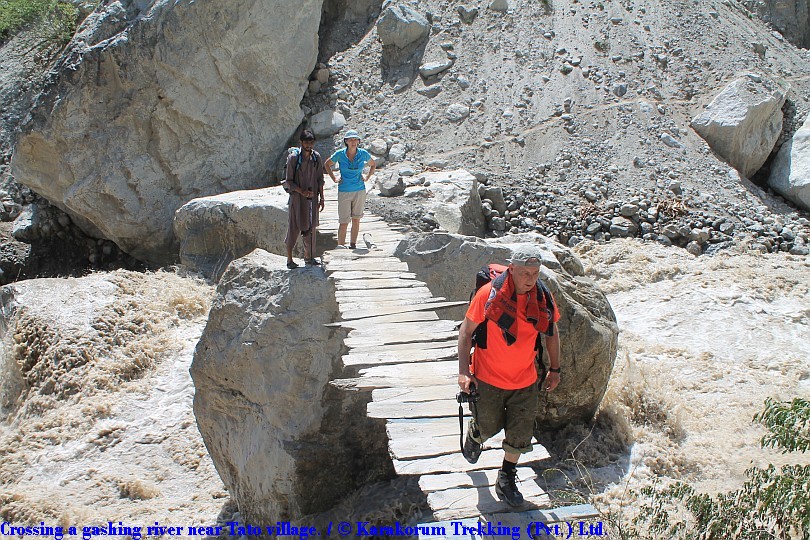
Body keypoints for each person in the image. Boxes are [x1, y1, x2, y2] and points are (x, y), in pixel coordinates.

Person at [457, 246, 562, 507]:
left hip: (525, 380)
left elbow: (551, 333)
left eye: (535, 273)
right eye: (525, 272)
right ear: (512, 269)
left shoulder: (542, 299)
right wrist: (463, 372)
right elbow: (466, 332)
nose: (530, 278)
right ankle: (476, 435)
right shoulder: (488, 295)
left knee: (520, 433)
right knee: (488, 427)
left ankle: (506, 477)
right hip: (488, 378)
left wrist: (555, 368)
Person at [324, 129, 376, 249]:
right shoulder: (340, 154)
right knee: (343, 221)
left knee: (356, 219)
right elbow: (327, 164)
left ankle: (353, 245)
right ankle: (341, 246)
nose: (353, 142)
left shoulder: (363, 154)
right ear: (346, 141)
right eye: (350, 139)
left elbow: (373, 164)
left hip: (359, 190)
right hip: (344, 190)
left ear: (358, 141)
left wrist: (367, 177)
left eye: (355, 139)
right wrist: (334, 179)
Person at [283, 129, 325, 269]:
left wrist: (322, 197)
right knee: (294, 227)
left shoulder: (316, 157)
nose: (309, 145)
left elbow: (320, 179)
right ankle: (289, 259)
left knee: (311, 227)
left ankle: (309, 257)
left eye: (311, 142)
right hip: (297, 199)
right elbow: (289, 181)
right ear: (301, 143)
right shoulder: (294, 158)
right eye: (306, 143)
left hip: (312, 199)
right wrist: (302, 192)